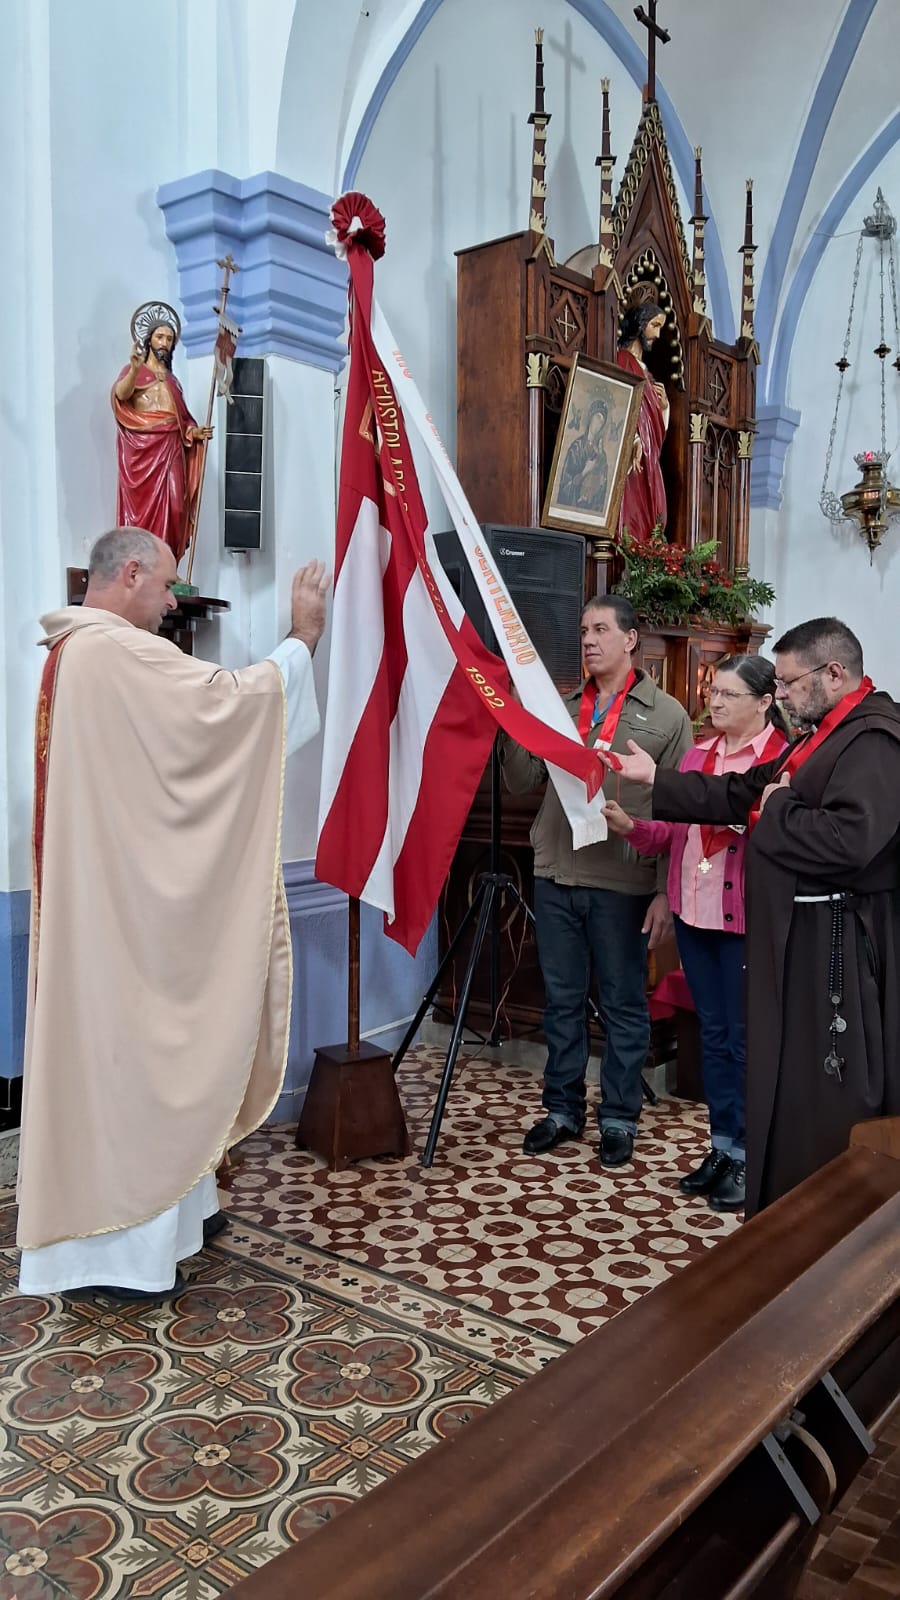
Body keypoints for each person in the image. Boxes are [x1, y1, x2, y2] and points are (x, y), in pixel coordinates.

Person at [17, 527, 330, 1299]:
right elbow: (229, 706)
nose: (169, 604)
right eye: (165, 586)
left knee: (127, 1062)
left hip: (107, 904)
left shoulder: (69, 655)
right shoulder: (114, 652)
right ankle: (118, 1256)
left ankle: (184, 1214)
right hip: (123, 919)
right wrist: (303, 638)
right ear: (129, 574)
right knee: (141, 1066)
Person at [604, 618, 900, 1215]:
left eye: (789, 682)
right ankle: (777, 1189)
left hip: (838, 940)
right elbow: (742, 792)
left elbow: (849, 841)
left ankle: (834, 1206)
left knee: (825, 1080)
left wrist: (778, 806)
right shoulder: (820, 737)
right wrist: (658, 779)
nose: (782, 694)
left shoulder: (874, 739)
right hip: (802, 931)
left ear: (834, 673)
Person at [502, 595, 692, 1167]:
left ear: (630, 639)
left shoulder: (667, 716)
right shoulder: (559, 708)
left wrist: (664, 891)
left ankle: (618, 1117)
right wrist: (516, 718)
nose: (588, 639)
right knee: (561, 1002)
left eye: (601, 629)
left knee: (623, 1004)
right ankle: (562, 1109)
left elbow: (679, 811)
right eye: (584, 629)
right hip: (556, 873)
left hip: (622, 882)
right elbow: (519, 783)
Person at [602, 655, 788, 1211]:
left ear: (764, 702)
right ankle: (722, 1146)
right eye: (714, 692)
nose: (716, 702)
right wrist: (634, 829)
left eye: (730, 694)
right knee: (712, 1036)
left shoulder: (780, 760)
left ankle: (752, 1155)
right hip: (694, 914)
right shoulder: (698, 754)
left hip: (745, 922)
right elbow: (674, 831)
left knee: (744, 1041)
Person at [111, 315, 212, 563]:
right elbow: (121, 396)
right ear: (149, 340)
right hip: (143, 449)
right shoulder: (134, 371)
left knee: (176, 507)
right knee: (142, 509)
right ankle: (142, 563)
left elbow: (182, 420)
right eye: (160, 337)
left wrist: (194, 432)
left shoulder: (173, 381)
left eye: (169, 339)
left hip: (171, 447)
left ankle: (167, 565)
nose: (164, 343)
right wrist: (135, 370)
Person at [617, 299, 669, 540]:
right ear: (640, 324)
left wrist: (664, 407)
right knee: (633, 510)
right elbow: (619, 403)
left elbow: (655, 425)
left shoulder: (646, 371)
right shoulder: (622, 360)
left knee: (652, 512)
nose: (657, 335)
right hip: (633, 454)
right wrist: (635, 439)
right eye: (654, 325)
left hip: (650, 456)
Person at [558, 397, 610, 513]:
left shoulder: (602, 455)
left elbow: (602, 491)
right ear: (591, 418)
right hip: (571, 508)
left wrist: (601, 481)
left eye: (601, 422)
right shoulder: (576, 447)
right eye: (597, 418)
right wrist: (585, 472)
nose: (598, 424)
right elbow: (565, 485)